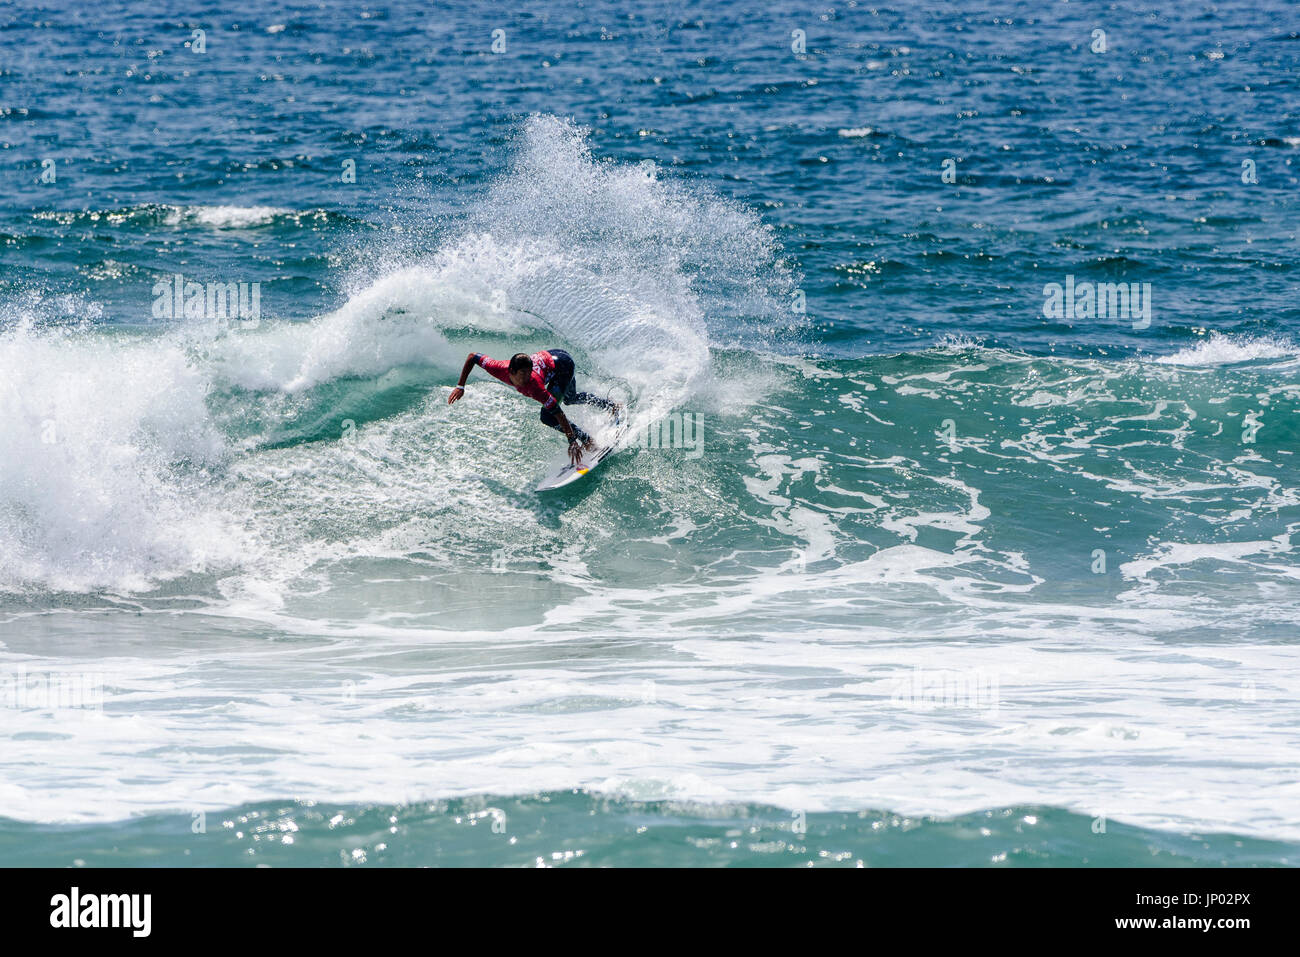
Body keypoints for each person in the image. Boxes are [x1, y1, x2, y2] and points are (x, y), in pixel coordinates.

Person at [448, 348, 621, 465]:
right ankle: (610, 405)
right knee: (570, 398)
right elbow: (473, 357)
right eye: (522, 375)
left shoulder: (534, 386)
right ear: (511, 372)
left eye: (528, 374)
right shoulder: (498, 368)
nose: (525, 380)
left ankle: (588, 440)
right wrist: (461, 386)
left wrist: (572, 440)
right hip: (553, 358)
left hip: (563, 365)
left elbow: (558, 414)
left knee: (548, 415)